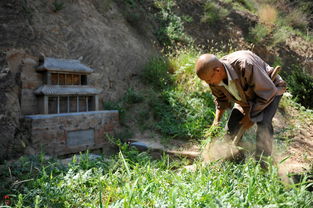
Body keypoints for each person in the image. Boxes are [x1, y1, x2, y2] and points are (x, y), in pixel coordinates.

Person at [195, 50, 286, 162]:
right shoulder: (213, 79)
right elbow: (221, 100)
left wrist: (250, 117)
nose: (209, 83)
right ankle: (235, 162)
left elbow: (267, 93)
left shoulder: (245, 65)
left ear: (217, 70)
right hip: (245, 98)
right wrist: (216, 122)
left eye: (209, 80)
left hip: (269, 90)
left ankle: (263, 164)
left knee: (263, 122)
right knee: (231, 127)